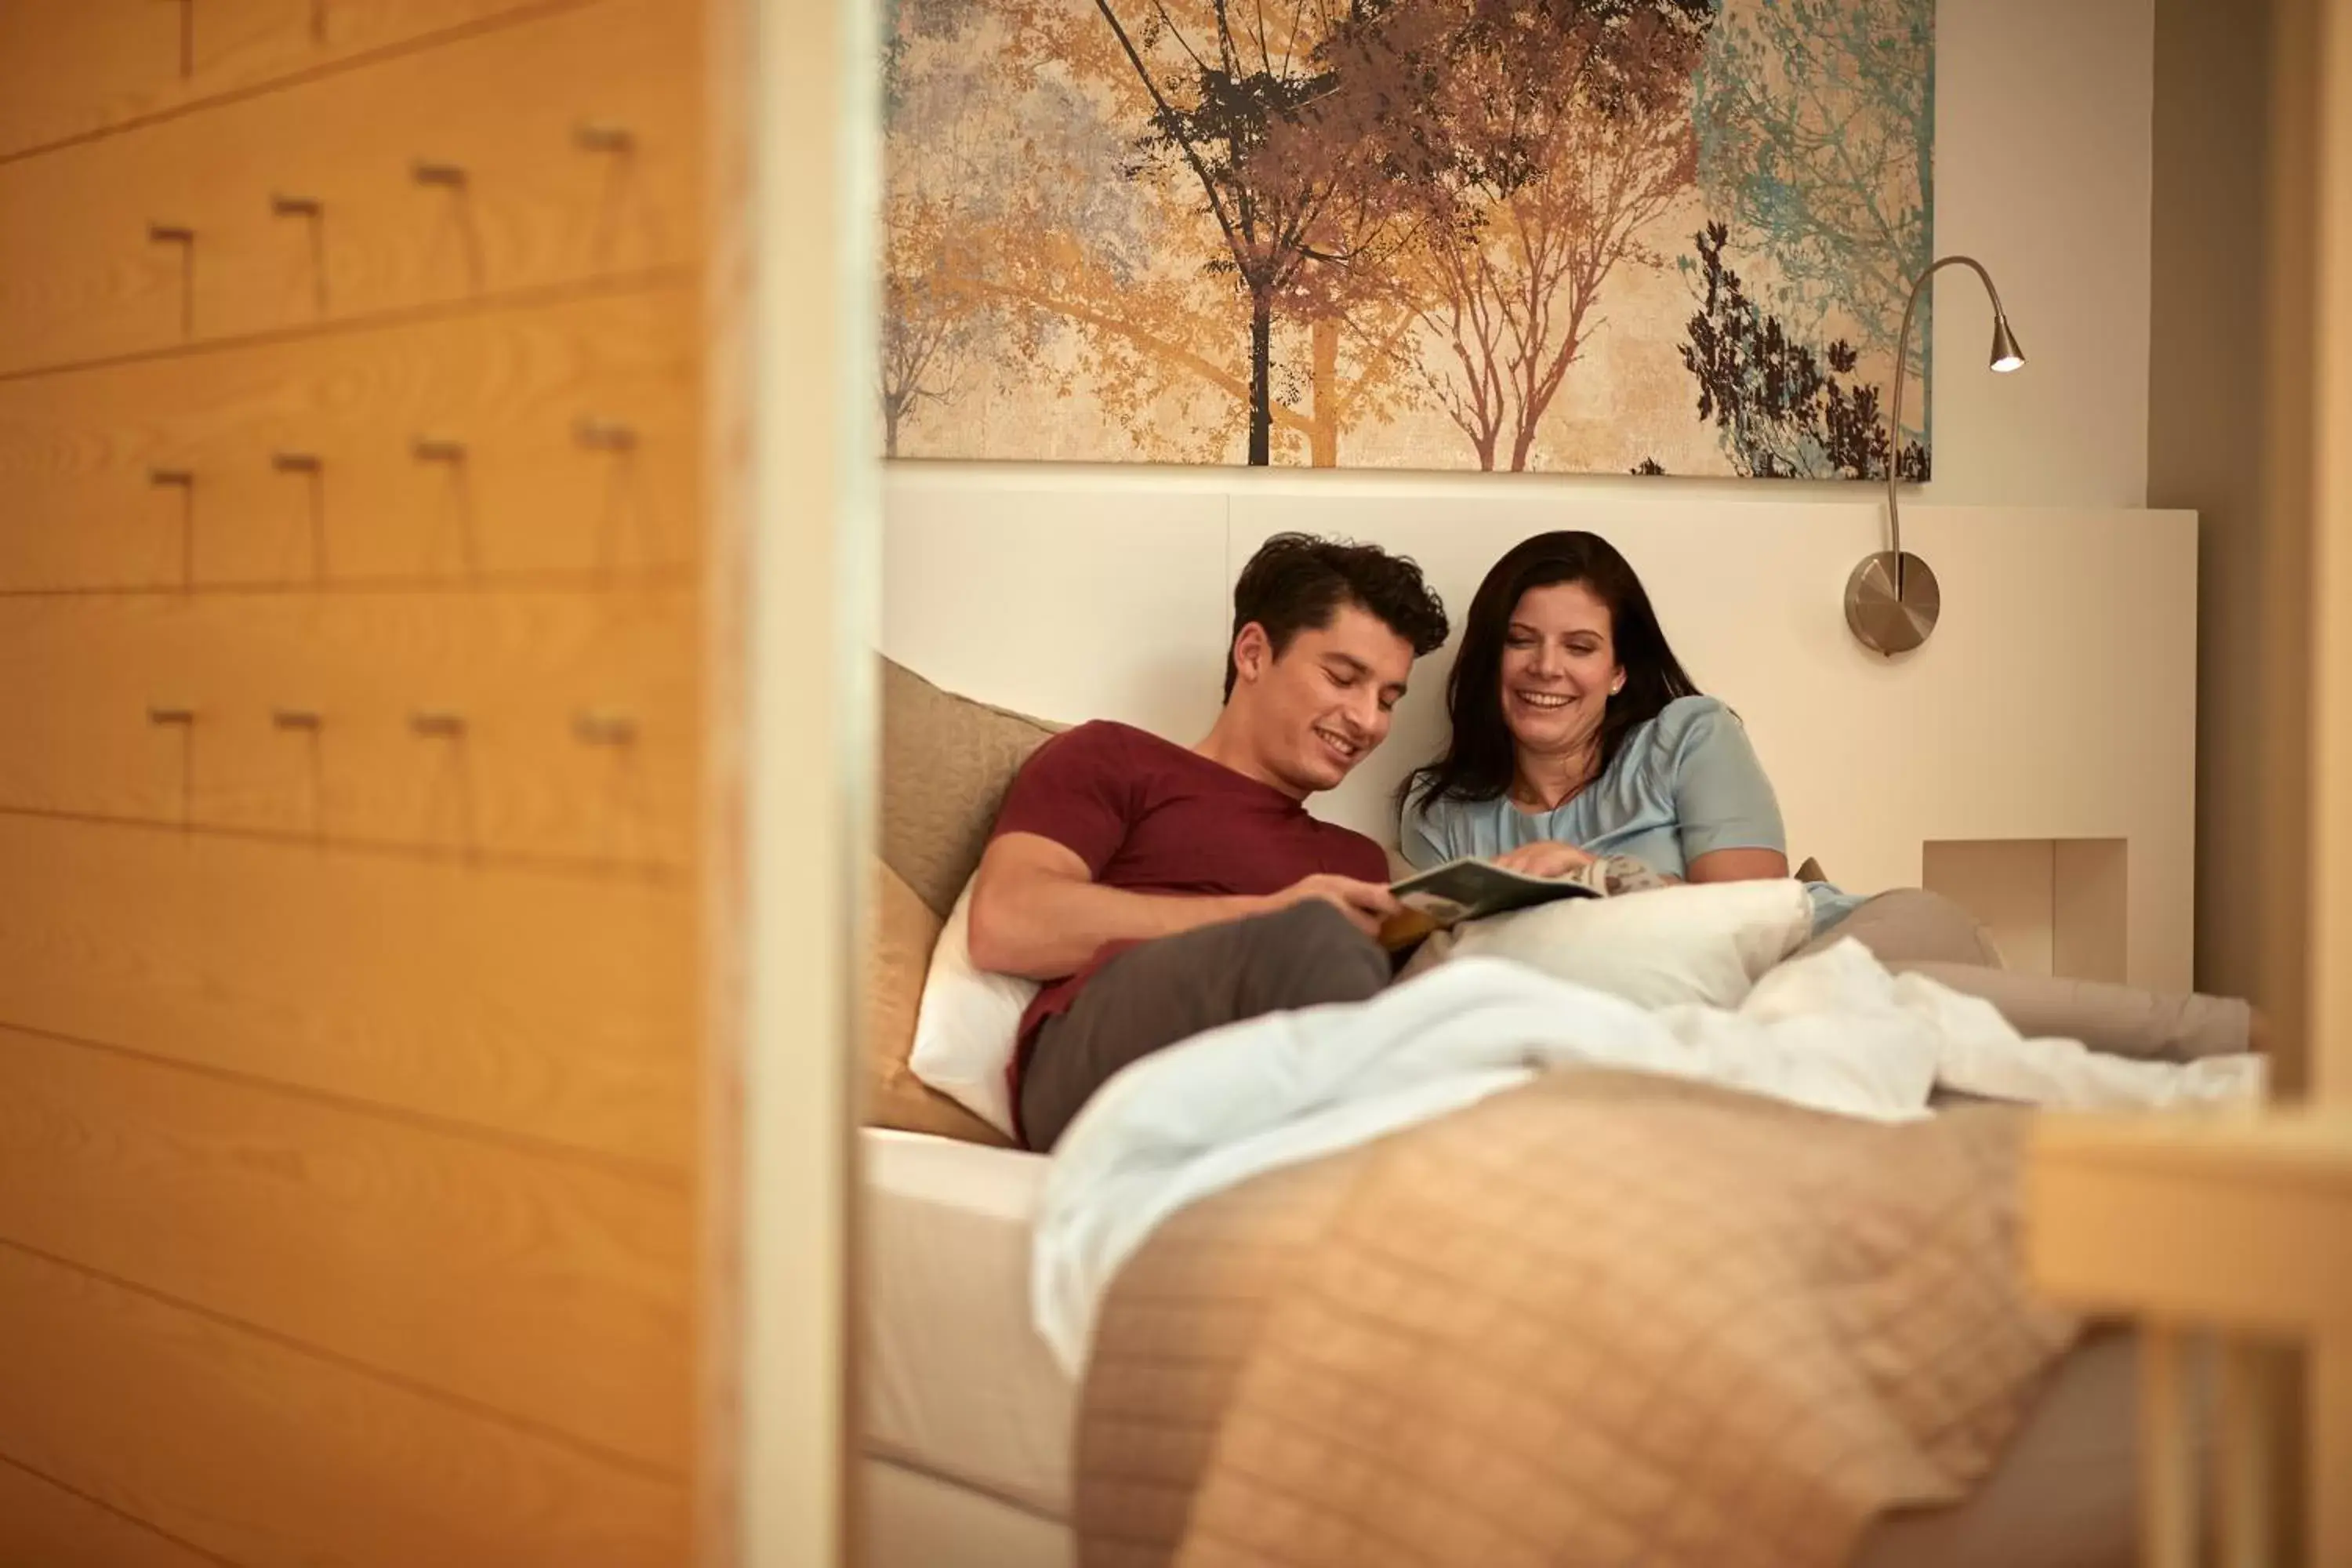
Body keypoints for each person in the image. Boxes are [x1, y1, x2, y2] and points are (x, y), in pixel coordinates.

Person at [1401, 529, 2256, 1064]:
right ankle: (2232, 1038)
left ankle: (2235, 1037)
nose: (1547, 667)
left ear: (1618, 669)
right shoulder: (1445, 815)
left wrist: (1598, 874)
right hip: (1739, 1013)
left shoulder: (1687, 734)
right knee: (1833, 1025)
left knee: (1808, 1000)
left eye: (1579, 645)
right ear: (1494, 656)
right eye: (1523, 641)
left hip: (1856, 929)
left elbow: (1754, 908)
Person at [971, 532, 1450, 1151]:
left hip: (1271, 1087)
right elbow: (1007, 921)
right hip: (1101, 1067)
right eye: (1342, 678)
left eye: (1388, 699)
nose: (1368, 720)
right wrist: (1272, 914)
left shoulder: (1358, 862)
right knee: (1316, 937)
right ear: (1253, 654)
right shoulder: (1114, 759)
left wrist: (1524, 890)